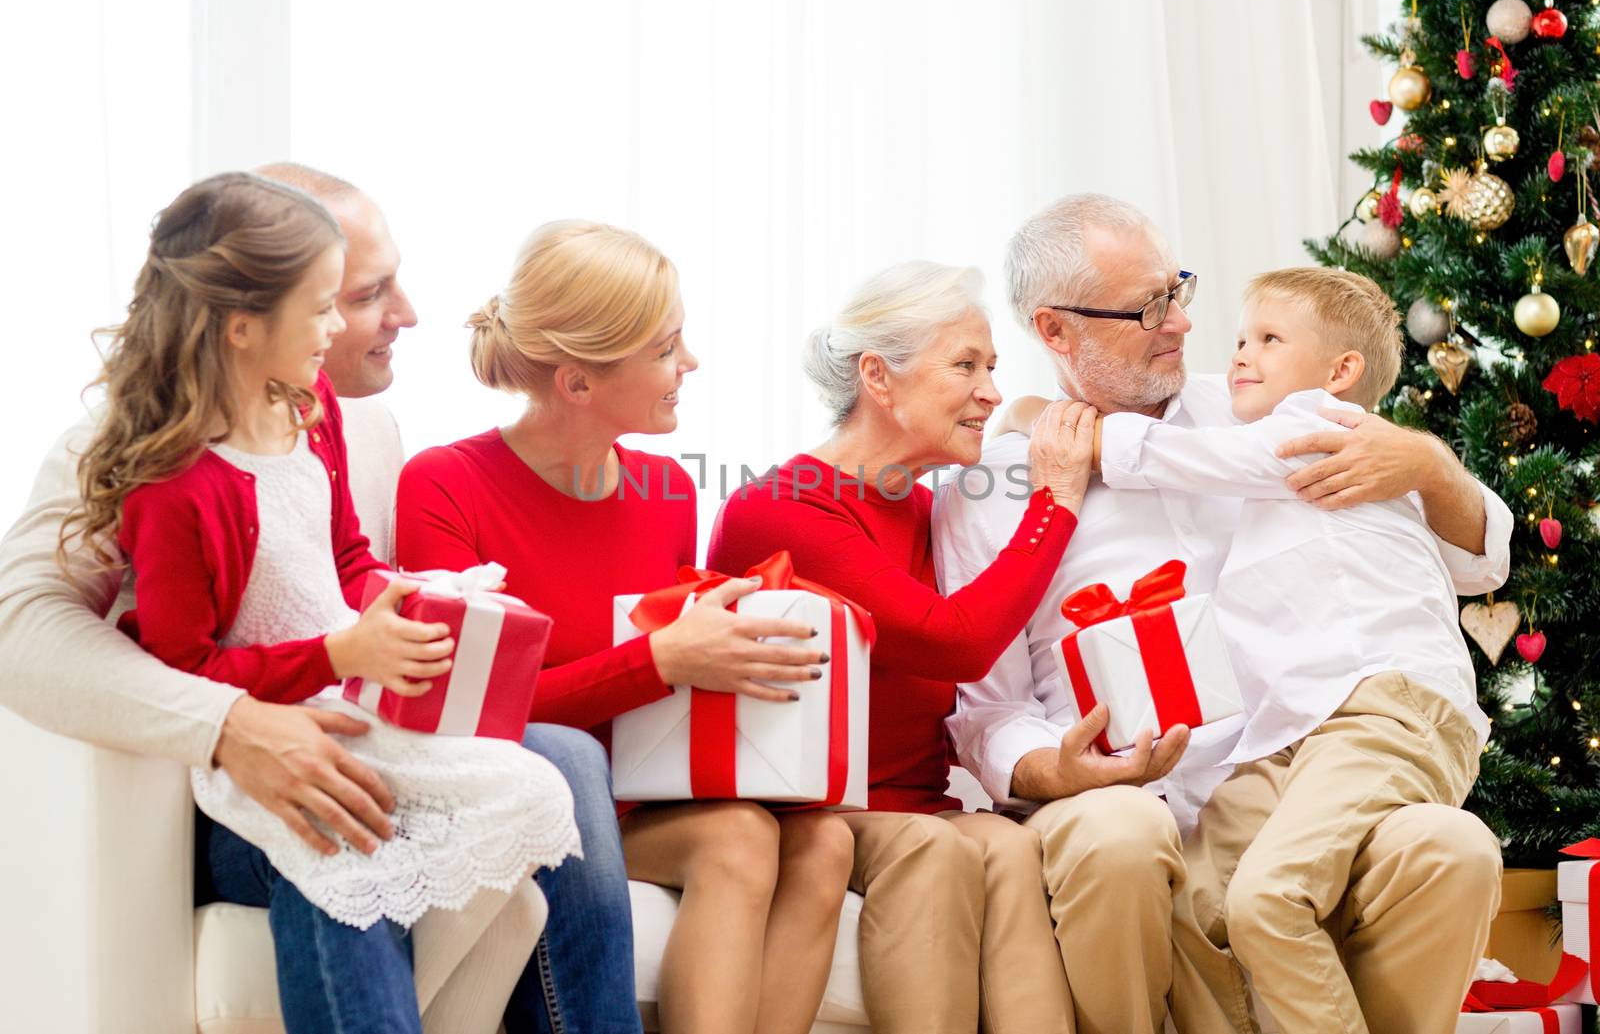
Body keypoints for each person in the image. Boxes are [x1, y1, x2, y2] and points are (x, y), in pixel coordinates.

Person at [0, 163, 643, 1034]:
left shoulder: (344, 419)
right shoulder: (139, 455)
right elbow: (26, 629)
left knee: (563, 761)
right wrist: (231, 721)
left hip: (335, 711)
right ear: (247, 320)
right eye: (359, 293)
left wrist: (416, 609)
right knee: (335, 814)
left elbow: (339, 570)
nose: (404, 315)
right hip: (226, 768)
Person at [935, 194, 1510, 1034]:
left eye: (1179, 288)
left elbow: (1480, 558)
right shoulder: (994, 486)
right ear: (1055, 331)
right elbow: (987, 709)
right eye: (1149, 307)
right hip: (1132, 793)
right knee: (1126, 836)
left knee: (1452, 848)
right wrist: (1056, 772)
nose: (1184, 323)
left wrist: (1427, 461)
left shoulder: (1256, 411)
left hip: (1294, 753)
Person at [395, 219, 853, 1034]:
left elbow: (665, 694)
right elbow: (466, 713)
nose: (691, 364)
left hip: (639, 794)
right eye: (666, 348)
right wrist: (663, 658)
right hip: (531, 795)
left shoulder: (667, 489)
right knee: (740, 841)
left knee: (823, 843)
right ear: (577, 382)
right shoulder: (444, 484)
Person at [706, 261, 1114, 1034]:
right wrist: (1055, 503)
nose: (991, 390)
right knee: (938, 846)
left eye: (992, 367)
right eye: (966, 365)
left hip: (909, 797)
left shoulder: (927, 506)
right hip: (809, 807)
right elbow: (953, 642)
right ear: (877, 378)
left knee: (1007, 843)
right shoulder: (787, 506)